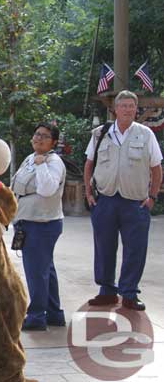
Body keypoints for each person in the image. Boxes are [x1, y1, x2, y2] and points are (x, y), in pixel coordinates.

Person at [84, 90, 163, 311]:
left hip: (135, 202)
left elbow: (156, 169)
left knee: (135, 249)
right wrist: (89, 195)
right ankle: (107, 291)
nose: (127, 109)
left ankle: (129, 293)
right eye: (123, 105)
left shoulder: (145, 134)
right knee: (104, 248)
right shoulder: (100, 133)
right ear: (115, 109)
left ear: (136, 109)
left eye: (131, 106)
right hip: (106, 200)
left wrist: (152, 197)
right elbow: (89, 164)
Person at [11, 123, 66, 331]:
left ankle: (36, 316)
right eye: (37, 134)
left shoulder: (53, 162)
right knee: (45, 270)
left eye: (45, 136)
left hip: (42, 224)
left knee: (36, 272)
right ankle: (54, 314)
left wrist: (42, 164)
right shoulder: (29, 158)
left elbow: (47, 189)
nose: (39, 138)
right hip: (27, 220)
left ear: (53, 142)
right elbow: (16, 185)